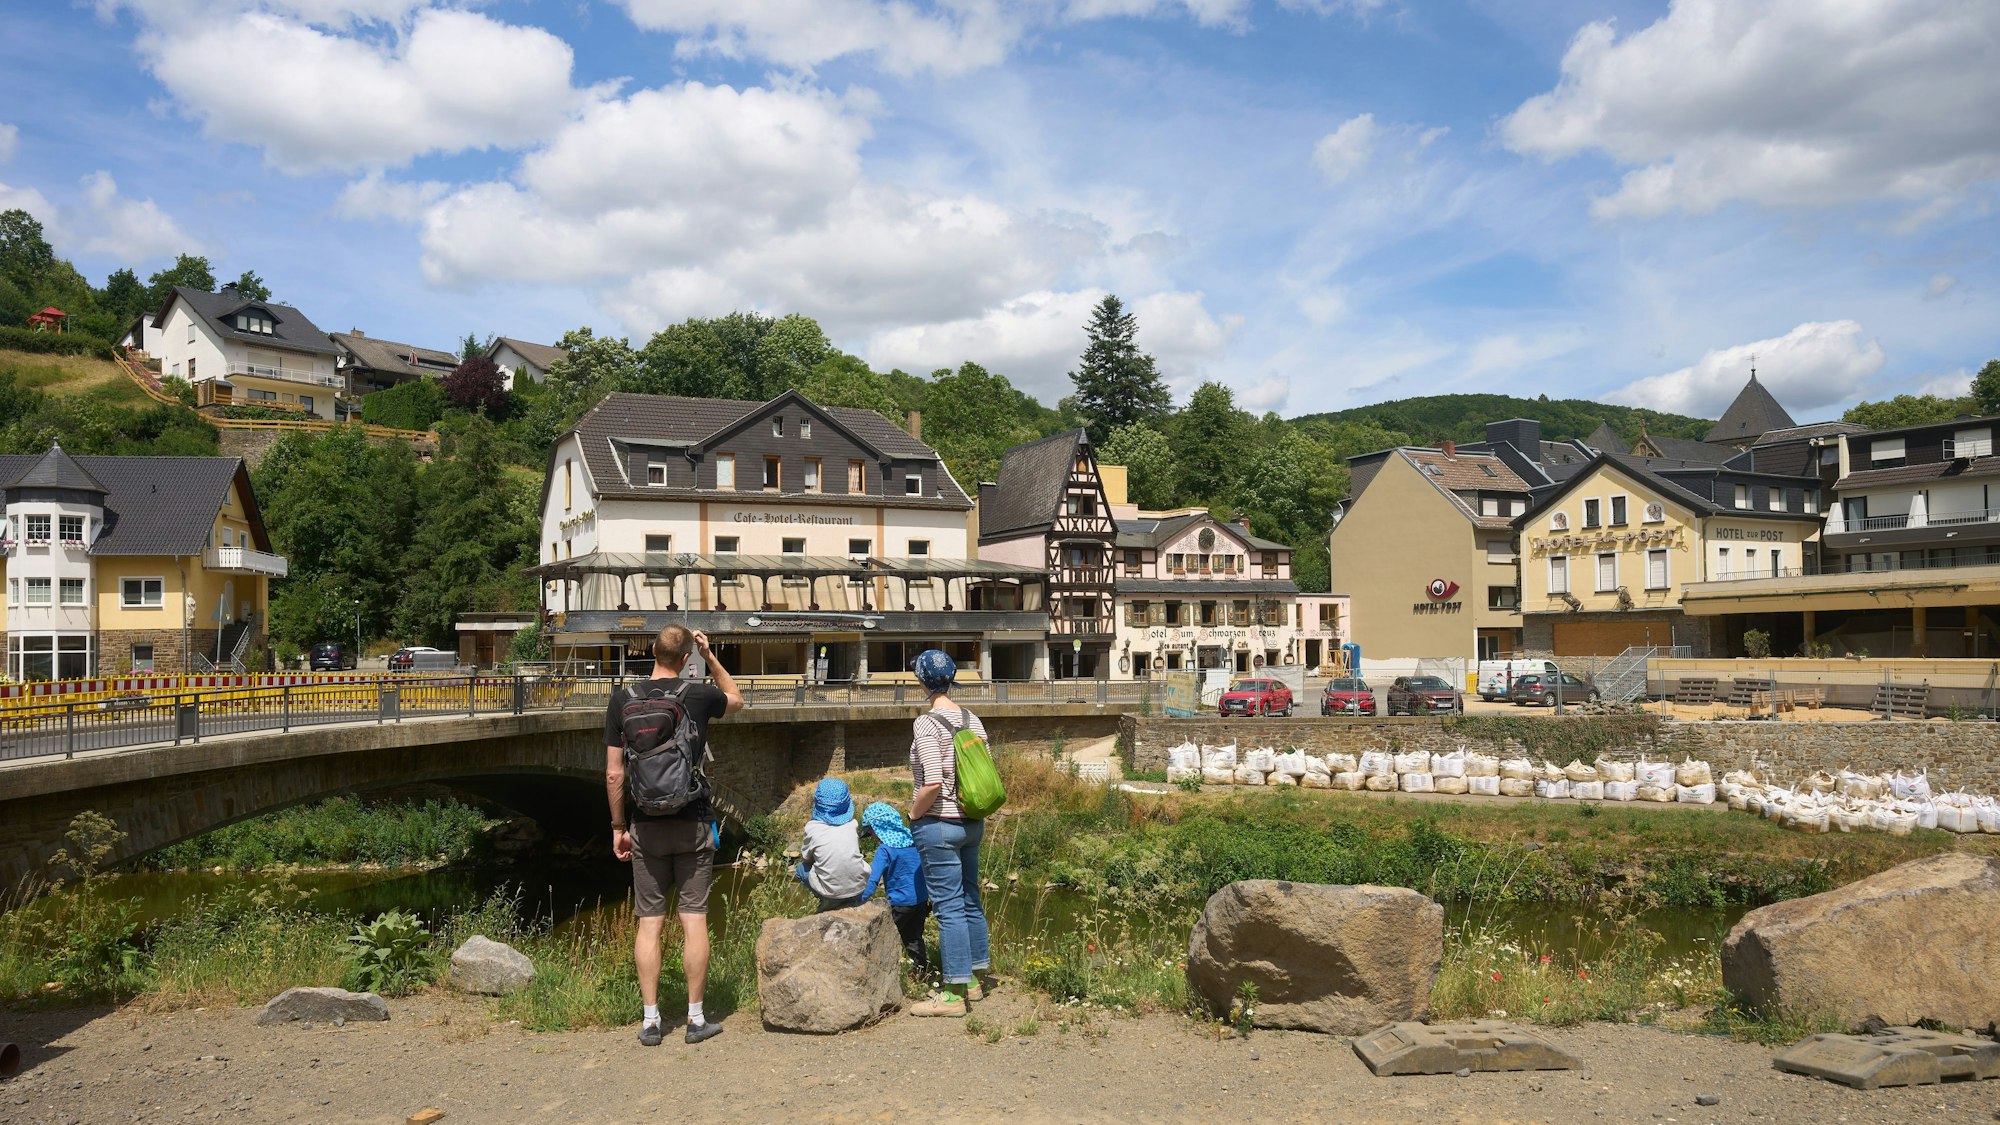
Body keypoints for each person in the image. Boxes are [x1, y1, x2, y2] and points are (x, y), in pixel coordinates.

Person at [605, 624, 741, 1047]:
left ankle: (650, 1021)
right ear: (687, 659)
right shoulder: (696, 694)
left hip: (645, 825)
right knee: (694, 919)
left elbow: (614, 773)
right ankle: (695, 1019)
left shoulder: (622, 699)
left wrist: (618, 827)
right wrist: (712, 656)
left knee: (650, 925)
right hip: (694, 820)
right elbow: (737, 700)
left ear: (651, 651)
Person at [906, 649, 993, 1017]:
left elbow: (933, 781)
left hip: (940, 824)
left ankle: (954, 994)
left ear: (922, 681)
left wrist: (913, 814)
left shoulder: (926, 723)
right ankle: (975, 977)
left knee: (948, 907)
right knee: (970, 897)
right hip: (972, 822)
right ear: (952, 678)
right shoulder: (973, 720)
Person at [859, 801, 930, 970]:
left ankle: (882, 971)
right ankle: (921, 973)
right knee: (914, 939)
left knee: (883, 937)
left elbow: (872, 880)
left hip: (900, 904)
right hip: (921, 902)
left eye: (871, 832)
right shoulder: (915, 841)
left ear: (878, 828)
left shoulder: (885, 849)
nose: (873, 838)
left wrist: (860, 900)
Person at [795, 778, 868, 912]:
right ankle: (852, 899)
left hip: (831, 893)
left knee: (801, 869)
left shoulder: (812, 828)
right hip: (859, 888)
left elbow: (806, 858)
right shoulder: (852, 824)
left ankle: (827, 900)